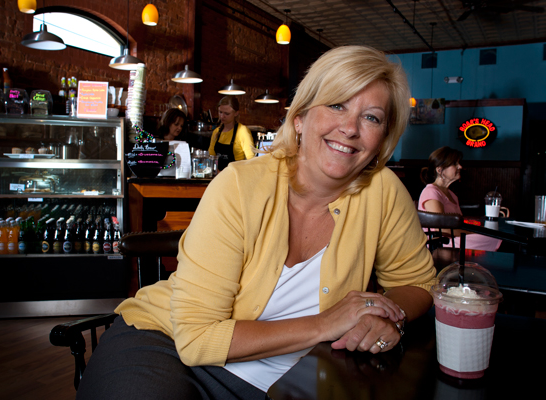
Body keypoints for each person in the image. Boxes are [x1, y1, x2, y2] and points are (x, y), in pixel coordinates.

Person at [77, 46, 436, 399]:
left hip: (292, 376)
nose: (350, 128)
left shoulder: (382, 191)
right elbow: (196, 338)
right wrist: (326, 324)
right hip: (164, 344)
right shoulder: (238, 186)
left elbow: (417, 282)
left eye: (371, 117)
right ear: (300, 118)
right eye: (337, 105)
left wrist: (385, 316)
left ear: (383, 139)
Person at [419, 146, 502, 251]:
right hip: (440, 242)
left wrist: (477, 230)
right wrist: (473, 232)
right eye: (455, 164)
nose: (460, 167)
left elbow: (459, 225)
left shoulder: (452, 195)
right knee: (493, 238)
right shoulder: (431, 191)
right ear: (440, 170)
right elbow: (441, 229)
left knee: (495, 236)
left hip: (454, 239)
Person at [208, 96, 254, 170]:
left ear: (236, 113)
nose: (222, 116)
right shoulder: (216, 132)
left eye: (226, 113)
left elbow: (251, 160)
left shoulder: (242, 131)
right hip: (218, 175)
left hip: (235, 174)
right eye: (220, 112)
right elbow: (211, 157)